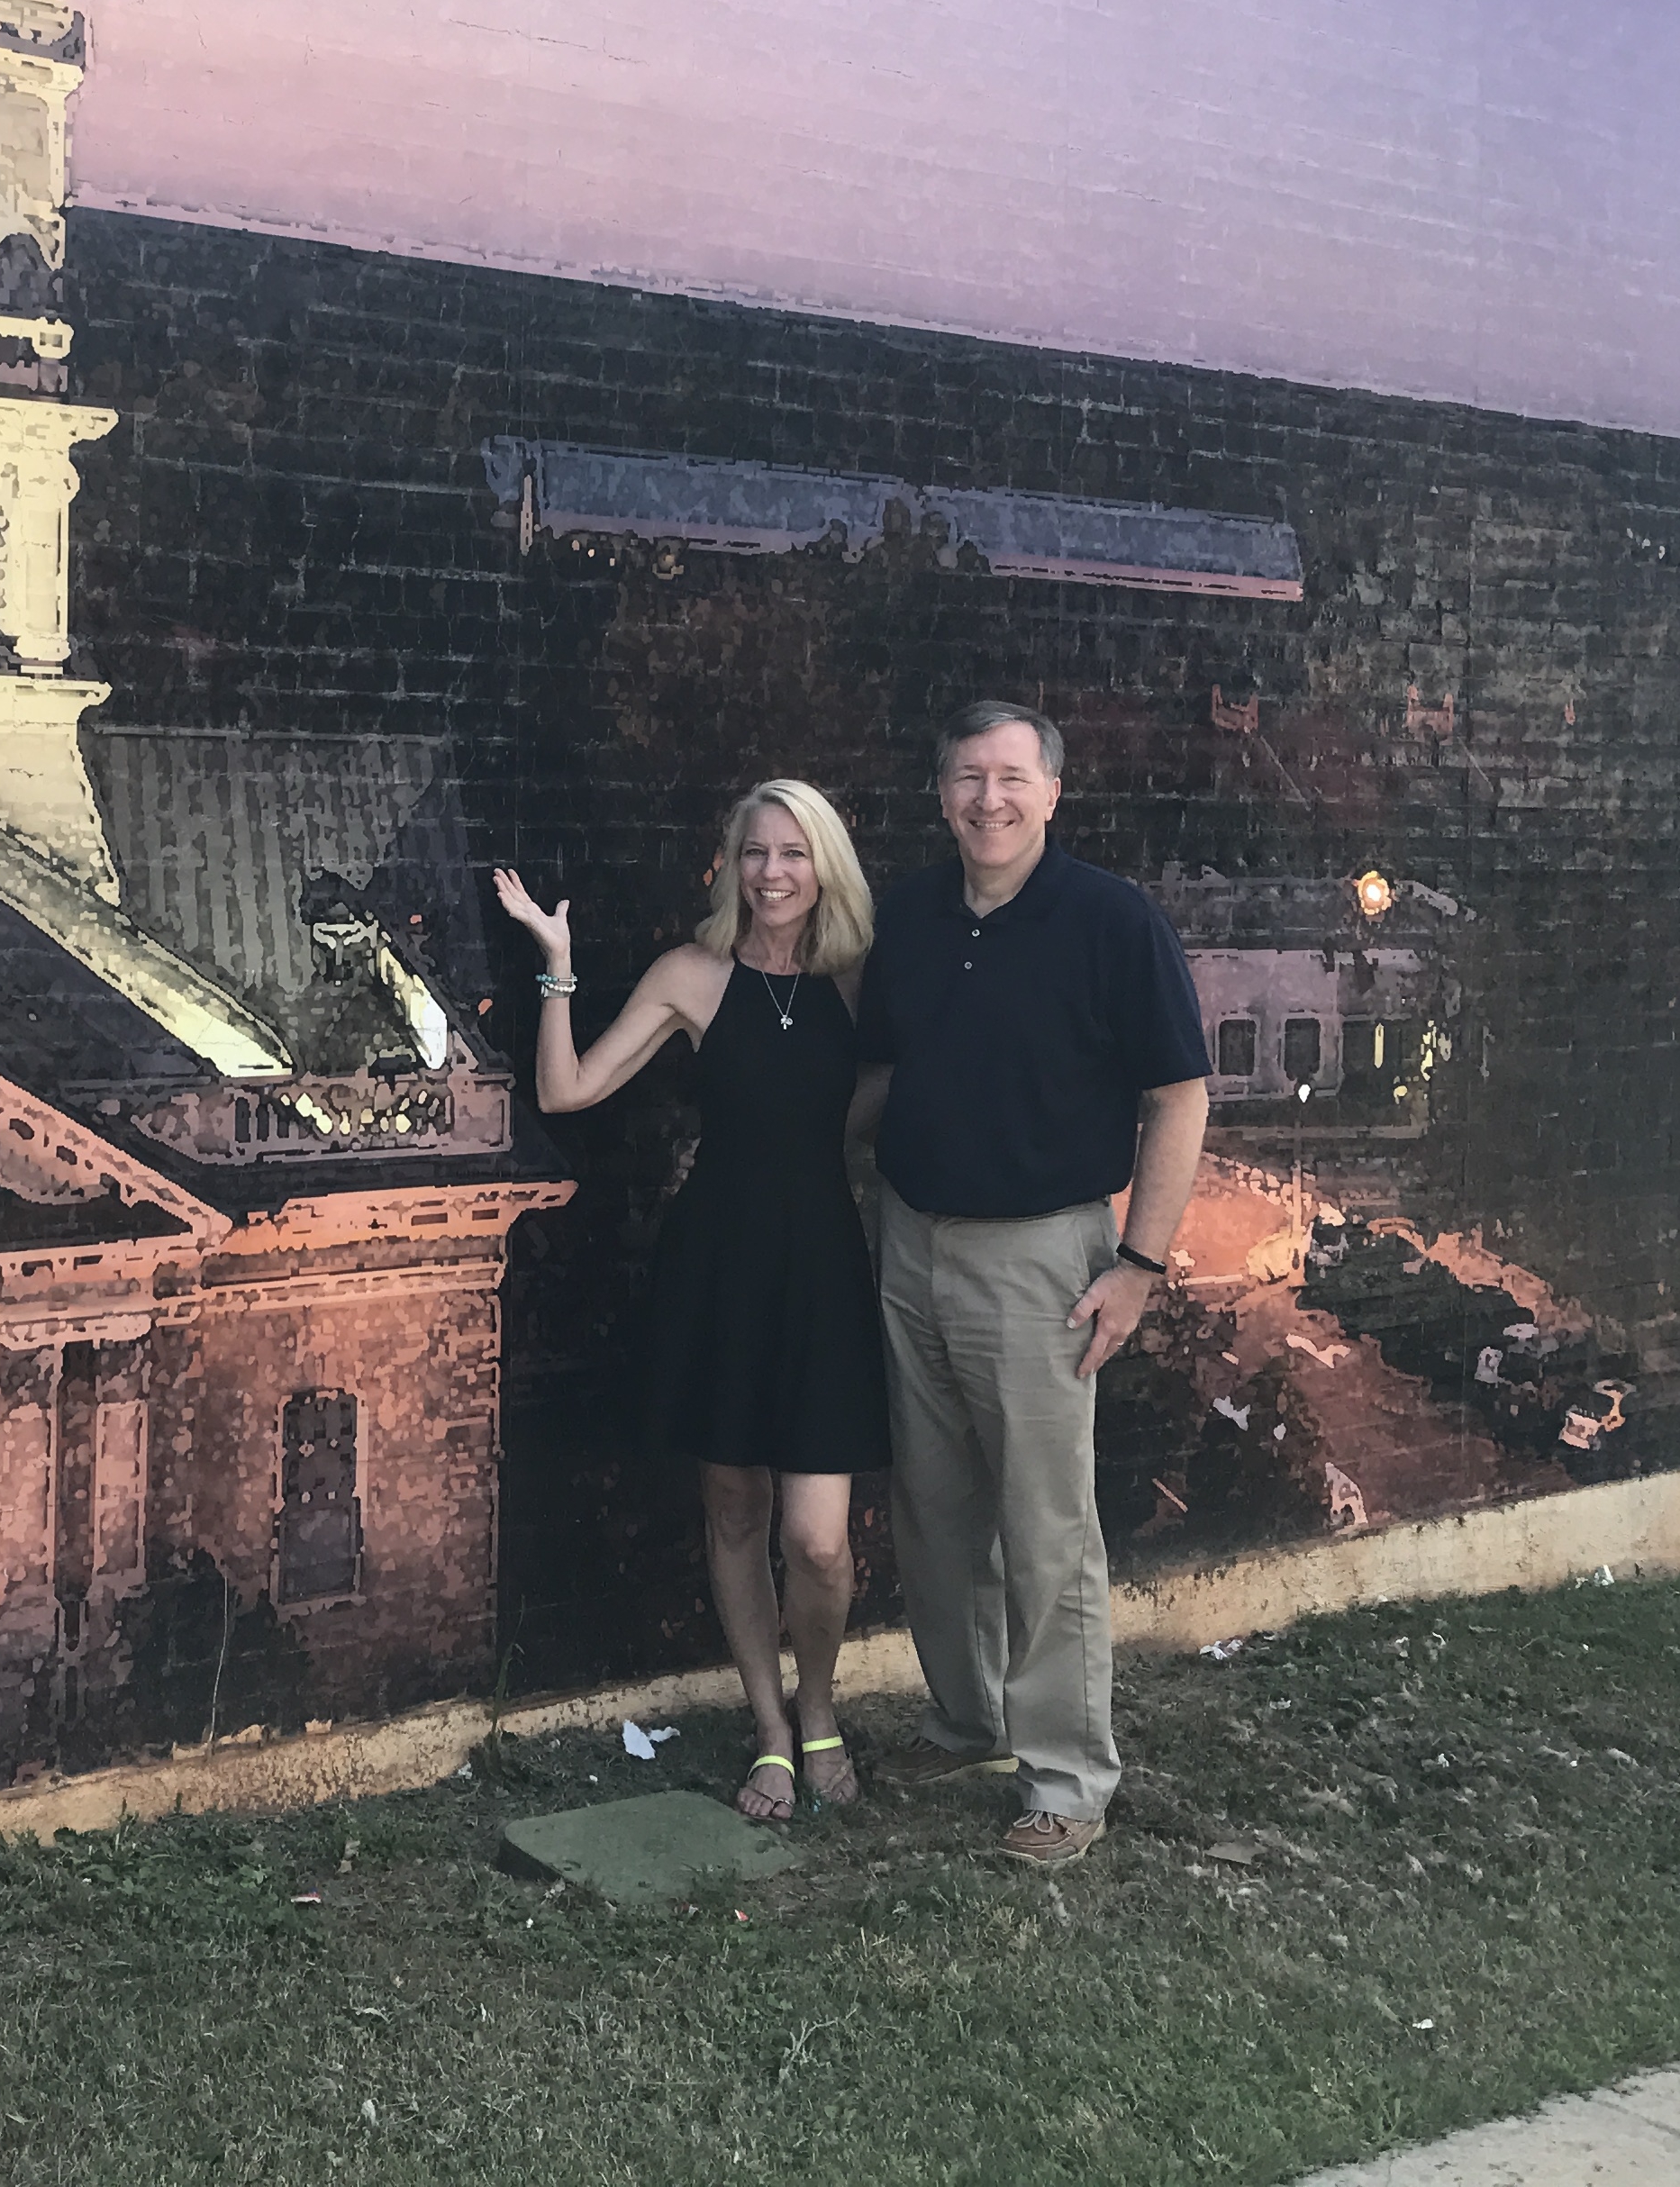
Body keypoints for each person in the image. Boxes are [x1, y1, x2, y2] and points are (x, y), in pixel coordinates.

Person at [857, 700, 1211, 1867]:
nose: (989, 799)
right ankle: (967, 1722)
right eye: (968, 778)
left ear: (1053, 793)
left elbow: (1178, 1098)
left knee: (1046, 1527)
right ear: (943, 793)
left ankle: (1064, 1779)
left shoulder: (1112, 922)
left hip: (1044, 1262)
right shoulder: (907, 916)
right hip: (911, 1241)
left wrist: (1140, 1266)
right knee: (935, 1508)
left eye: (1011, 778)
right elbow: (882, 1074)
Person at [495, 780, 889, 1823]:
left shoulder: (857, 983)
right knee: (732, 1505)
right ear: (731, 863)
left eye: (794, 855)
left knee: (818, 1540)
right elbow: (567, 1090)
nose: (772, 873)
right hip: (721, 1263)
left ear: (826, 867)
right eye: (755, 853)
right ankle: (771, 1733)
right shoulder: (692, 975)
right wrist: (558, 967)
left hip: (824, 1269)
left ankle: (820, 1708)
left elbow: (874, 1111)